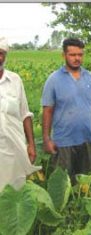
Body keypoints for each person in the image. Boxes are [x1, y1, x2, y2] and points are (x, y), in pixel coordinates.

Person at [42, 38, 91, 181]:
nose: (77, 58)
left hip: (87, 139)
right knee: (63, 183)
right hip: (63, 141)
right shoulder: (54, 79)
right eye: (72, 55)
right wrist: (46, 138)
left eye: (80, 54)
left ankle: (81, 204)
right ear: (64, 55)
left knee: (84, 183)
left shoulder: (90, 77)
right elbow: (47, 111)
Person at [0, 37, 41, 191]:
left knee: (14, 191)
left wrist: (31, 144)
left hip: (14, 149)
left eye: (1, 53)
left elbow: (25, 114)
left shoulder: (15, 80)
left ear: (5, 56)